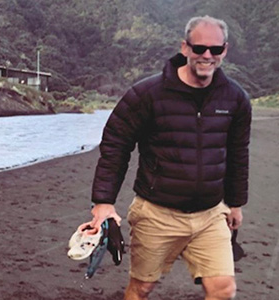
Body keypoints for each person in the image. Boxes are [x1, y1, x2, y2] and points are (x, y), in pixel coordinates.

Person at [89, 16, 251, 300]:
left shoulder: (235, 98)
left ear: (225, 50)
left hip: (210, 214)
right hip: (157, 213)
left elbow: (238, 153)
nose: (207, 56)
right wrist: (103, 203)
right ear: (185, 47)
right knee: (142, 288)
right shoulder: (147, 94)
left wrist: (236, 203)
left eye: (215, 50)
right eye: (199, 48)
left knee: (223, 289)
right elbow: (116, 143)